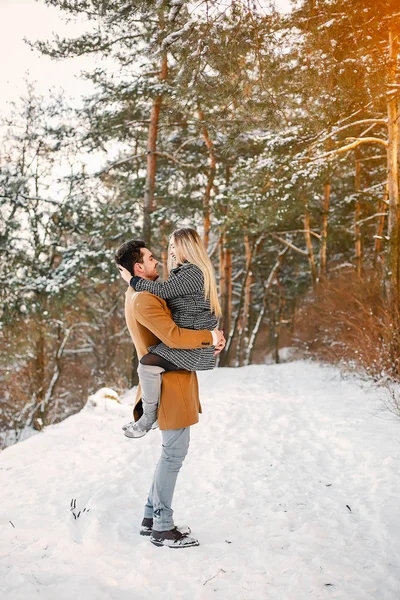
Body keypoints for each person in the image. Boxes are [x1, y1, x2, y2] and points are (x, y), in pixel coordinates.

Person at [115, 239, 225, 548]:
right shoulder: (143, 299)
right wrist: (209, 337)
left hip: (172, 377)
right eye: (150, 259)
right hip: (169, 384)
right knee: (173, 455)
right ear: (138, 268)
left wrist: (211, 339)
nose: (157, 261)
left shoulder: (139, 295)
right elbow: (174, 337)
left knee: (170, 454)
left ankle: (151, 517)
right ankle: (162, 526)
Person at [118, 228, 222, 439]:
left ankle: (149, 417)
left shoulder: (194, 272)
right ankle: (149, 416)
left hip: (192, 343)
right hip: (192, 339)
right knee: (149, 362)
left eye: (174, 246)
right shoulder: (185, 273)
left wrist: (133, 280)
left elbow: (164, 292)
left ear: (186, 247)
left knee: (148, 363)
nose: (171, 252)